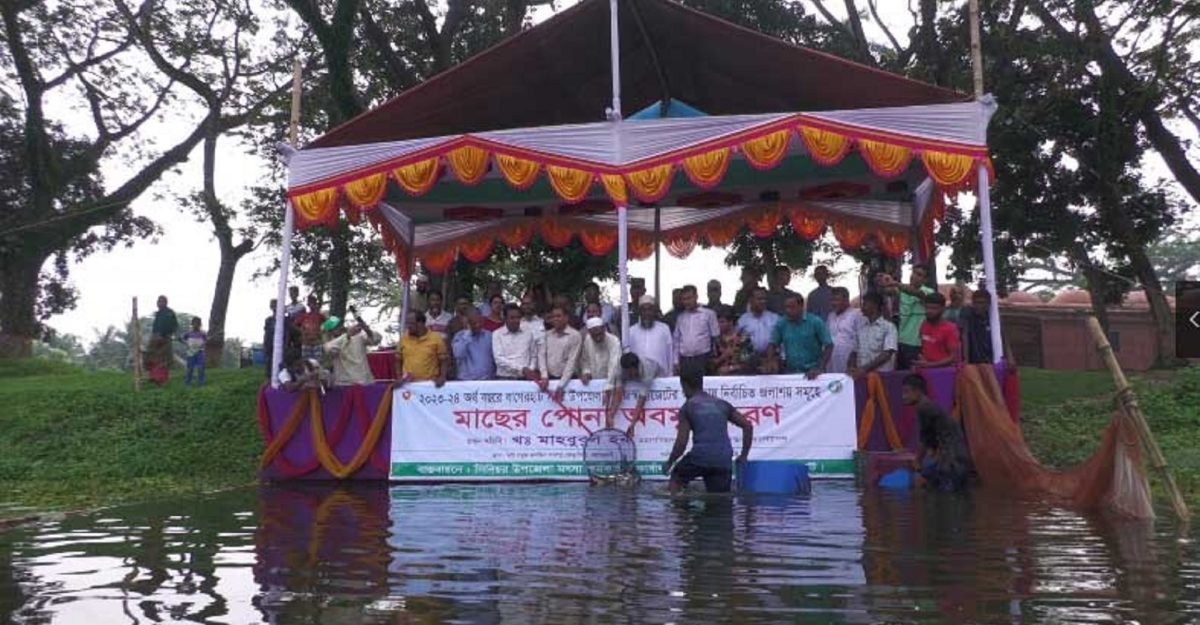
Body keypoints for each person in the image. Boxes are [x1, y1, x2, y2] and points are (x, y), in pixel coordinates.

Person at [662, 366, 754, 494]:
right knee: (718, 502)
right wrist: (743, 456)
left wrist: (670, 462)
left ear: (684, 385)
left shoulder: (688, 407)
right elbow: (748, 426)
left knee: (676, 479)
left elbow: (681, 443)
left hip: (699, 458)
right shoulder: (722, 404)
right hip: (723, 461)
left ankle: (682, 513)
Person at [903, 374, 971, 492]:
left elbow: (924, 440)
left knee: (944, 501)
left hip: (951, 464)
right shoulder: (931, 406)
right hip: (958, 460)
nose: (903, 396)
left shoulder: (924, 408)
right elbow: (934, 437)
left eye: (906, 392)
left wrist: (917, 462)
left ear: (918, 391)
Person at [879, 265, 934, 369]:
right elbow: (885, 291)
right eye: (914, 273)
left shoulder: (929, 292)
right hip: (900, 341)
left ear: (925, 279)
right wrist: (882, 281)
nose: (914, 276)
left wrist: (895, 283)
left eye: (919, 275)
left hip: (917, 344)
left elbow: (917, 293)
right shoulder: (901, 290)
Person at [765, 294, 832, 379]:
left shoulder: (815, 322)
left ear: (801, 306)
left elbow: (829, 345)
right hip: (790, 373)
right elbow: (772, 344)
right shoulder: (782, 323)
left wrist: (820, 368)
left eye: (792, 307)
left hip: (813, 373)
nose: (788, 310)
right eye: (786, 307)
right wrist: (770, 361)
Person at [607, 352, 663, 433]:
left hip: (659, 374)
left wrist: (633, 423)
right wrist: (611, 415)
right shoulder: (619, 369)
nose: (628, 375)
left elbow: (641, 400)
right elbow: (618, 393)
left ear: (635, 368)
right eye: (626, 372)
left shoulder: (647, 370)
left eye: (630, 372)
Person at [324, 310, 382, 386]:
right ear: (330, 332)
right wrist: (347, 335)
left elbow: (376, 340)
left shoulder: (358, 337)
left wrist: (368, 330)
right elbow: (330, 349)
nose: (340, 327)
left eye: (340, 325)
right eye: (336, 327)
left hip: (365, 381)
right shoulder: (329, 344)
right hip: (345, 384)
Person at [848, 292, 898, 379]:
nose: (862, 308)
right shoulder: (861, 328)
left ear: (874, 305)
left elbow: (887, 354)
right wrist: (851, 367)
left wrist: (864, 369)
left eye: (865, 304)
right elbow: (854, 351)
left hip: (881, 377)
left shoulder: (889, 327)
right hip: (862, 377)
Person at [672, 285, 719, 375]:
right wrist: (676, 361)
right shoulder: (681, 318)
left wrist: (713, 359)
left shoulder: (709, 314)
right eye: (684, 299)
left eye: (689, 298)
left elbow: (715, 337)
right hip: (685, 360)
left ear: (696, 297)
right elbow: (676, 340)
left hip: (703, 359)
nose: (687, 302)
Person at [539, 305, 583, 399]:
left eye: (558, 316)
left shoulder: (575, 335)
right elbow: (541, 356)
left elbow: (572, 362)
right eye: (553, 316)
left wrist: (561, 385)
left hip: (569, 381)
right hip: (549, 380)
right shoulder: (547, 335)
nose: (555, 319)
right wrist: (544, 376)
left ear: (566, 318)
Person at [396, 311, 448, 386]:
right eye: (407, 323)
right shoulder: (404, 339)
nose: (408, 326)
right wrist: (399, 377)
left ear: (420, 323)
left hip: (429, 385)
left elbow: (443, 360)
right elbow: (398, 360)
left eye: (411, 323)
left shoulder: (436, 338)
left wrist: (442, 377)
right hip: (408, 385)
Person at [626, 295, 673, 375]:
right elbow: (627, 355)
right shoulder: (631, 331)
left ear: (654, 311)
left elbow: (670, 353)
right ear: (639, 312)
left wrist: (670, 375)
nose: (647, 313)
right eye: (644, 310)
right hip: (638, 379)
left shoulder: (664, 329)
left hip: (661, 377)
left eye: (650, 310)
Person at [736, 287, 779, 372]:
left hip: (771, 362)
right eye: (759, 299)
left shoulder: (774, 318)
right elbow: (737, 340)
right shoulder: (743, 320)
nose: (763, 302)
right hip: (750, 363)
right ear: (751, 300)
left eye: (764, 299)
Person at [825, 286, 865, 374]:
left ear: (846, 299)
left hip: (849, 359)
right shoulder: (831, 316)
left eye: (836, 300)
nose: (833, 303)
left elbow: (861, 339)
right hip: (832, 358)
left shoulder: (857, 314)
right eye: (832, 300)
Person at [915, 292, 960, 370]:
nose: (929, 311)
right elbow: (923, 347)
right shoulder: (924, 324)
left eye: (934, 308)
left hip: (944, 373)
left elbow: (953, 357)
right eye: (927, 307)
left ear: (943, 309)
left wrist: (930, 365)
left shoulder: (950, 329)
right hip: (926, 371)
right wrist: (921, 360)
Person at [492, 303, 538, 380]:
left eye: (518, 317)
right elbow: (499, 359)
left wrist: (530, 370)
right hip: (505, 378)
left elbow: (533, 355)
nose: (516, 320)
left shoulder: (528, 333)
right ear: (505, 319)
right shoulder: (497, 334)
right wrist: (522, 369)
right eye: (512, 318)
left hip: (525, 378)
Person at [578, 316, 621, 391]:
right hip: (594, 383)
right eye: (594, 335)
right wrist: (586, 372)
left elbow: (614, 364)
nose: (598, 338)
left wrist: (609, 384)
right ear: (589, 332)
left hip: (612, 382)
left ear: (604, 329)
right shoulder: (588, 340)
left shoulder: (614, 341)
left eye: (599, 334)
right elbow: (585, 360)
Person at [451, 309, 495, 381]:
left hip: (487, 381)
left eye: (479, 321)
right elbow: (458, 354)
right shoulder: (459, 336)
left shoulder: (489, 335)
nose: (477, 325)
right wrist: (468, 334)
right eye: (474, 323)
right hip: (465, 381)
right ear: (468, 323)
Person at [957, 289, 996, 364]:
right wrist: (966, 359)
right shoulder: (967, 313)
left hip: (989, 356)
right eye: (975, 303)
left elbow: (1003, 336)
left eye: (982, 303)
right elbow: (964, 335)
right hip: (973, 357)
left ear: (988, 303)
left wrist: (1010, 357)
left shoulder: (992, 316)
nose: (978, 306)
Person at [147, 295, 179, 385]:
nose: (160, 303)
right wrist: (155, 336)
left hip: (165, 338)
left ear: (166, 302)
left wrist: (165, 334)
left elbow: (174, 325)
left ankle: (162, 379)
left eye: (162, 301)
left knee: (164, 359)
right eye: (159, 301)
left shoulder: (169, 313)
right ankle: (153, 377)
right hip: (155, 337)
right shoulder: (158, 313)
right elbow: (156, 326)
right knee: (152, 357)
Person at [712, 310, 753, 375]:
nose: (719, 325)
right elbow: (711, 363)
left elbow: (749, 362)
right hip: (719, 378)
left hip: (741, 377)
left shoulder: (743, 339)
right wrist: (723, 356)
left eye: (722, 322)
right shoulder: (716, 340)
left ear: (730, 322)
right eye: (717, 322)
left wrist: (730, 368)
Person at [293, 295, 326, 365]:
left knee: (318, 362)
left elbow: (331, 321)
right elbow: (294, 325)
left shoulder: (320, 315)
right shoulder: (304, 315)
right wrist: (302, 331)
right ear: (308, 304)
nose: (311, 305)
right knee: (306, 363)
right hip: (306, 342)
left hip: (317, 342)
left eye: (313, 303)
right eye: (310, 303)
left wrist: (322, 331)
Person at [182, 317, 207, 387]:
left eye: (197, 324)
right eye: (194, 324)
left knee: (201, 368)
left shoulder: (203, 334)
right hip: (191, 353)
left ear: (200, 325)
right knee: (190, 368)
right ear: (192, 324)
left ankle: (201, 383)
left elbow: (206, 341)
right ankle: (188, 383)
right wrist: (186, 343)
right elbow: (183, 340)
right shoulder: (188, 333)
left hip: (200, 352)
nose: (196, 325)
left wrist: (202, 344)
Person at [262, 299, 277, 380]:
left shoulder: (283, 319)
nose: (274, 307)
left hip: (279, 345)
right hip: (269, 344)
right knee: (269, 363)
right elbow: (266, 333)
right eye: (272, 305)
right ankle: (268, 379)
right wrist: (265, 344)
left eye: (275, 305)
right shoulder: (268, 320)